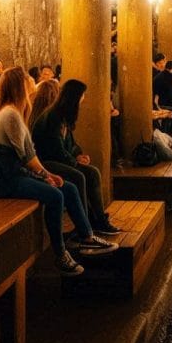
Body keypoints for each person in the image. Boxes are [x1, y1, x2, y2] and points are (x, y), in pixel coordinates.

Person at [0, 67, 118, 277]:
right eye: (28, 79)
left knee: (70, 187)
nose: (33, 82)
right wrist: (45, 175)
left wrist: (45, 174)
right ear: (20, 86)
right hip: (5, 178)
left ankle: (86, 236)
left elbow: (29, 152)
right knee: (56, 195)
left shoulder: (15, 112)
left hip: (15, 172)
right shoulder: (10, 114)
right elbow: (27, 156)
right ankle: (61, 254)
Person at [31, 79, 121, 235]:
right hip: (45, 162)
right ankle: (85, 226)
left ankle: (98, 220)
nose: (83, 98)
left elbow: (71, 144)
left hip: (58, 159)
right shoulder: (53, 117)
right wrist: (74, 161)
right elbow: (56, 150)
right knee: (79, 176)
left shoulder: (63, 115)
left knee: (92, 173)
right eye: (82, 95)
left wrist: (79, 155)